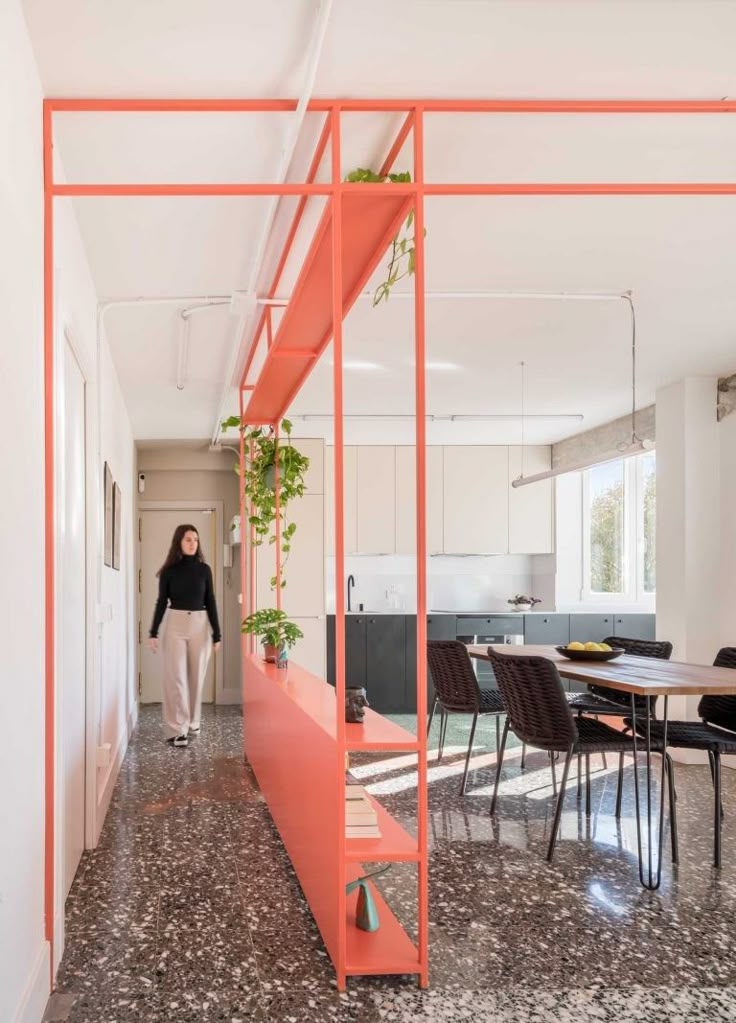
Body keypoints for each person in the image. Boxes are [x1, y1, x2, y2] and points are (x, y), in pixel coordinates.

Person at [148, 524, 221, 747]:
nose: (192, 543)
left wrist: (217, 634)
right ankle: (177, 729)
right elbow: (161, 602)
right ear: (179, 542)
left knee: (196, 678)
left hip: (200, 624)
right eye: (188, 539)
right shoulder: (169, 571)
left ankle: (193, 722)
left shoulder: (204, 569)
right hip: (176, 625)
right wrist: (154, 631)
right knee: (177, 678)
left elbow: (211, 601)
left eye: (196, 540)